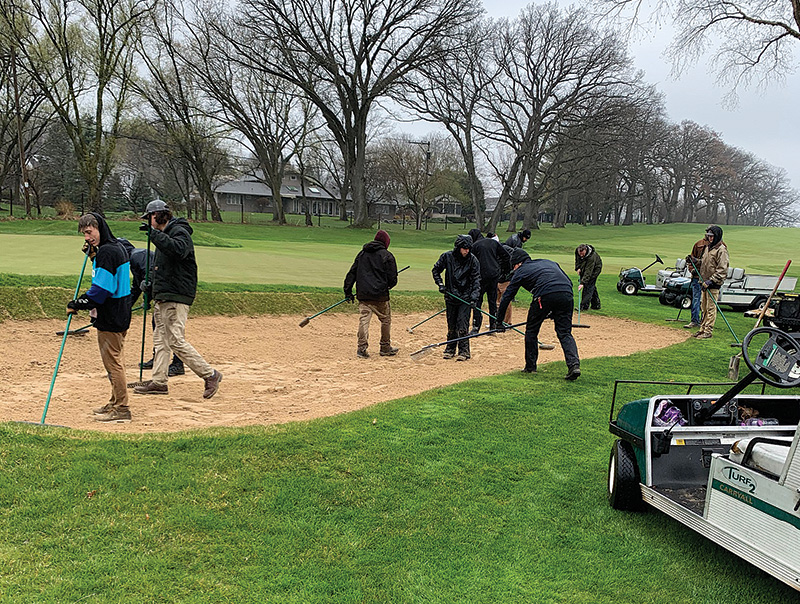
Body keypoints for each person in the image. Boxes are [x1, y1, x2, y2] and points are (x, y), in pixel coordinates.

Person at [133, 200, 223, 398]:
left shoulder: (179, 230)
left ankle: (210, 374)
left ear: (157, 215)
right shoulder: (163, 235)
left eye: (149, 217)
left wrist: (154, 235)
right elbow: (161, 269)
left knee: (174, 340)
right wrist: (150, 288)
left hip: (177, 296)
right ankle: (158, 382)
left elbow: (179, 250)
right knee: (161, 340)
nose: (148, 222)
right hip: (164, 295)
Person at [68, 213, 133, 421]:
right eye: (84, 234)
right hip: (121, 311)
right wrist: (92, 257)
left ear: (99, 229)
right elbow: (107, 276)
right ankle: (115, 402)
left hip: (111, 315)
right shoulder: (116, 247)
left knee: (113, 363)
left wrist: (77, 303)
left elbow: (101, 290)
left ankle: (121, 408)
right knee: (115, 360)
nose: (87, 237)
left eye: (89, 232)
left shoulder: (107, 252)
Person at [497, 249, 580, 379]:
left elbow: (507, 297)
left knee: (531, 331)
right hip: (567, 294)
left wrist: (499, 322)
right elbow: (568, 282)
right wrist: (553, 310)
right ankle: (574, 365)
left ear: (518, 264)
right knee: (565, 333)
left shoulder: (521, 271)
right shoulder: (550, 262)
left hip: (543, 295)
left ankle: (530, 367)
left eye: (514, 266)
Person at [119, 238, 184, 376]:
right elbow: (137, 287)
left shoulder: (137, 255)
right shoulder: (133, 261)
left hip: (170, 294)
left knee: (171, 329)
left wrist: (146, 297)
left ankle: (178, 363)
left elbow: (150, 277)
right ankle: (158, 358)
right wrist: (125, 307)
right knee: (158, 326)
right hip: (161, 295)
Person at [343, 229, 399, 359]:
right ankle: (385, 347)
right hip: (380, 295)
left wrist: (348, 291)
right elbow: (393, 279)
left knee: (364, 320)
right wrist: (387, 286)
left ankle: (361, 349)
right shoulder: (387, 255)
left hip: (363, 295)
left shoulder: (362, 254)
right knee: (385, 320)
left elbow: (352, 273)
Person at [432, 234, 481, 360]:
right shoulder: (447, 257)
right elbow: (436, 270)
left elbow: (476, 279)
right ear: (458, 247)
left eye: (468, 248)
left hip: (465, 297)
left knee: (463, 325)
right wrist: (441, 284)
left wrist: (474, 297)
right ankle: (450, 348)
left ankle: (464, 351)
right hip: (450, 295)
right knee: (451, 324)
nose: (467, 251)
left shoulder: (473, 260)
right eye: (464, 248)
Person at [467, 228, 510, 334]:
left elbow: (470, 262)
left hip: (480, 277)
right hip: (494, 276)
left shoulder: (475, 245)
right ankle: (493, 326)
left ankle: (476, 327)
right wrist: (504, 271)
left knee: (478, 301)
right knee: (492, 301)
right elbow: (506, 256)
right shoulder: (493, 242)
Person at [694, 225, 729, 340]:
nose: (710, 238)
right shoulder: (708, 247)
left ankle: (708, 331)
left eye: (712, 236)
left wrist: (712, 280)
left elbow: (722, 269)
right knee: (703, 307)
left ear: (717, 236)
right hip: (704, 282)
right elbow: (706, 263)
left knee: (710, 308)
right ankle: (702, 329)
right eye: (708, 236)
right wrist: (696, 261)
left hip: (713, 284)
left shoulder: (721, 250)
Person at [684, 230, 711, 329]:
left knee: (708, 301)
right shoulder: (698, 244)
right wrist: (691, 270)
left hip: (708, 278)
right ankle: (695, 320)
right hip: (696, 276)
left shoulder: (718, 247)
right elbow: (691, 259)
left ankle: (706, 322)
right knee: (696, 298)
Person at [574, 244, 602, 311]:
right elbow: (577, 260)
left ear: (585, 250)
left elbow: (588, 271)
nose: (581, 255)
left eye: (582, 254)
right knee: (592, 287)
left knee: (588, 286)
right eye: (579, 253)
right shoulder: (577, 251)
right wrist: (578, 268)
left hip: (595, 269)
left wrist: (582, 283)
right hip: (586, 267)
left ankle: (584, 306)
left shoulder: (591, 257)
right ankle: (596, 305)